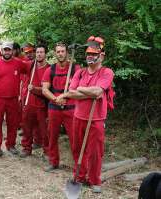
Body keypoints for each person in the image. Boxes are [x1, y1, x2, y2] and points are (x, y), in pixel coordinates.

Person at [56, 36, 114, 193]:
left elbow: (98, 92)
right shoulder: (80, 73)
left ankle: (94, 180)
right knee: (76, 148)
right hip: (78, 117)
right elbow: (71, 93)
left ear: (101, 55)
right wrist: (86, 92)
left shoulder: (106, 72)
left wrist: (81, 90)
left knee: (95, 152)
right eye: (88, 53)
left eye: (94, 53)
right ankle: (79, 176)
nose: (90, 56)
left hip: (96, 119)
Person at [42, 42, 80, 172]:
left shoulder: (76, 69)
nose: (60, 54)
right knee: (52, 136)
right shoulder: (50, 70)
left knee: (75, 138)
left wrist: (67, 96)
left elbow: (80, 89)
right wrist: (56, 99)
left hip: (71, 108)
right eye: (58, 51)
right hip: (54, 108)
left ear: (67, 53)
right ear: (55, 53)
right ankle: (53, 162)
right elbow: (44, 90)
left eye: (63, 51)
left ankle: (78, 166)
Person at [0, 42, 28, 156]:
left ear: (12, 51)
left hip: (13, 98)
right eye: (5, 50)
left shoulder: (18, 63)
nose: (7, 52)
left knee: (13, 123)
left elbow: (29, 70)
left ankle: (11, 145)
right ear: (2, 51)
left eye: (9, 50)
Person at [20, 44, 50, 158]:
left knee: (44, 130)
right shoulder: (30, 65)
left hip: (42, 104)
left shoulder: (49, 69)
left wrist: (35, 89)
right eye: (37, 52)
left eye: (41, 52)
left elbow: (48, 90)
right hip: (29, 102)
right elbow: (17, 65)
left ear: (45, 54)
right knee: (26, 127)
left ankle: (47, 151)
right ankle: (26, 148)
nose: (39, 54)